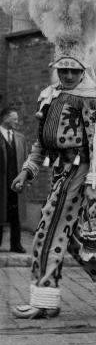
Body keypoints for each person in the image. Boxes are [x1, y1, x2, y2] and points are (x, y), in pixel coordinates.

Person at [11, 51, 96, 319]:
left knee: (47, 232)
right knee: (70, 238)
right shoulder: (49, 95)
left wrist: (94, 181)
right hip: (60, 172)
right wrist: (28, 170)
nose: (68, 75)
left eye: (73, 70)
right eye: (63, 70)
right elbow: (41, 142)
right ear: (56, 70)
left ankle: (44, 299)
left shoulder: (92, 96)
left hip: (78, 173)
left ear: (83, 71)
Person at [0, 107, 27, 253]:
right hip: (1, 185)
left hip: (16, 184)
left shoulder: (20, 138)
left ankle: (16, 245)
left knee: (16, 215)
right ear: (5, 118)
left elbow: (26, 161)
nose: (17, 122)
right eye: (14, 119)